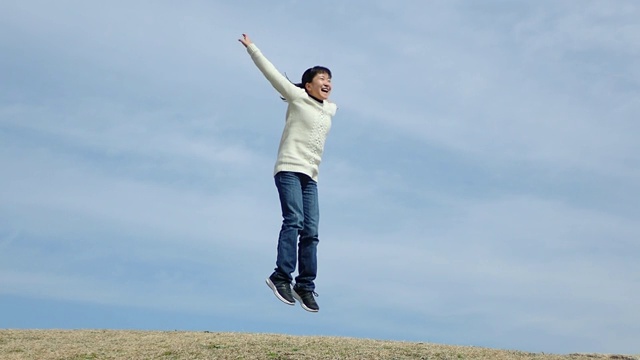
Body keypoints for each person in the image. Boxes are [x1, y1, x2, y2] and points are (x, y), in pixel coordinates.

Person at [238, 33, 337, 312]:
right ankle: (280, 276)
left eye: (329, 79)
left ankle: (305, 286)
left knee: (312, 232)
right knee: (293, 220)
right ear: (308, 84)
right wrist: (252, 49)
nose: (327, 82)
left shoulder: (329, 111)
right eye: (321, 78)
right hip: (289, 170)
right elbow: (271, 74)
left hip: (310, 177)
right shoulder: (297, 97)